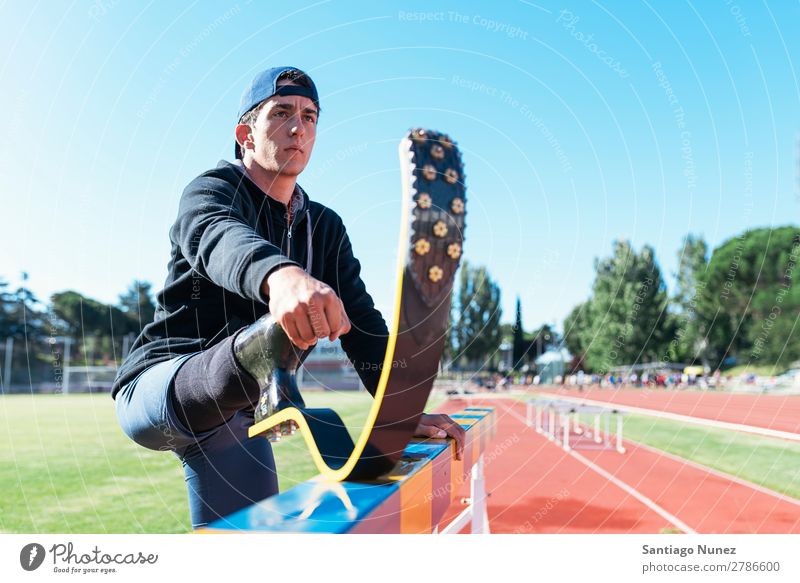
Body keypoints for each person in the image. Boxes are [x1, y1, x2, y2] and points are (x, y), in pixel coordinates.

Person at [112, 66, 465, 529]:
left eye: (310, 116)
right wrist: (281, 277)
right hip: (162, 388)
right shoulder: (210, 191)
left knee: (248, 548)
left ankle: (271, 374)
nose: (298, 127)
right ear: (245, 135)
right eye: (281, 113)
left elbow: (360, 322)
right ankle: (270, 367)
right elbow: (217, 236)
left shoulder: (325, 227)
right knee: (270, 337)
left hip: (236, 417)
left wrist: (398, 410)